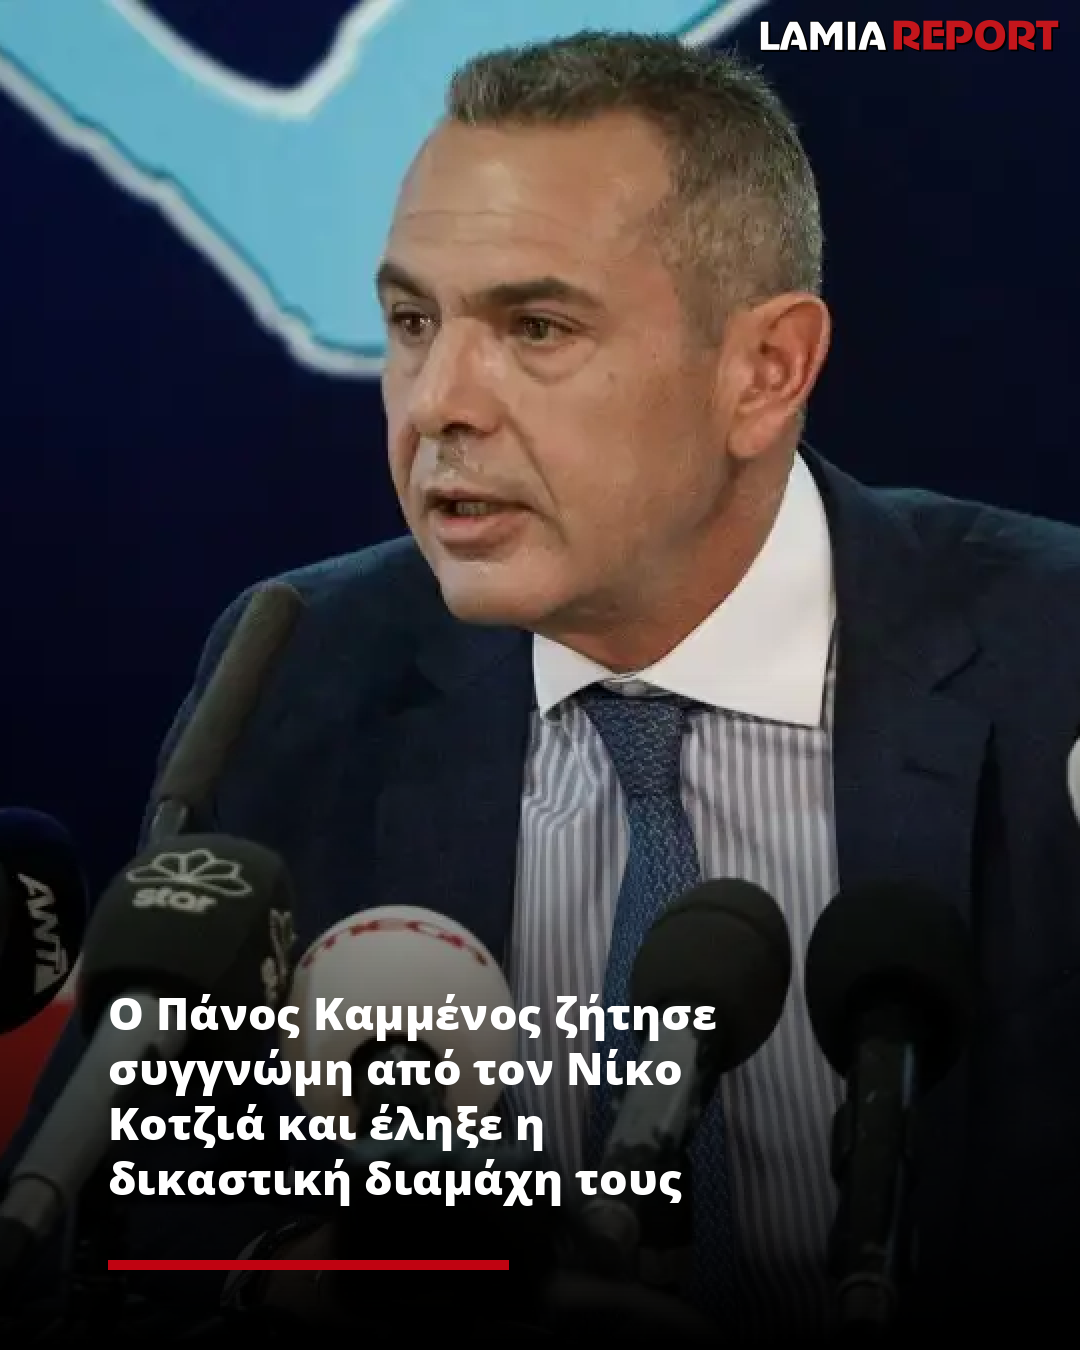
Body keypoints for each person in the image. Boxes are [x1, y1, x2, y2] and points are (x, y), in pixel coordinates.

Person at [6, 29, 1080, 1347]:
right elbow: (110, 1242)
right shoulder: (301, 665)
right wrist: (286, 1284)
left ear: (765, 371)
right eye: (412, 323)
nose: (437, 404)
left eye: (537, 327)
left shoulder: (1052, 657)